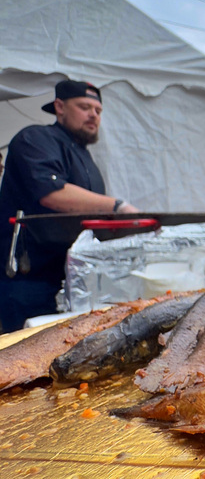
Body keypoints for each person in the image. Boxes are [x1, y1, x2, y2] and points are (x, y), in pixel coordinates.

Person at [0, 80, 139, 332]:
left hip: (73, 277)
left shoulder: (87, 160)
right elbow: (51, 193)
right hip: (28, 277)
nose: (93, 115)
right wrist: (118, 206)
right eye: (85, 107)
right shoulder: (34, 138)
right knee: (23, 356)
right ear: (59, 106)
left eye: (98, 111)